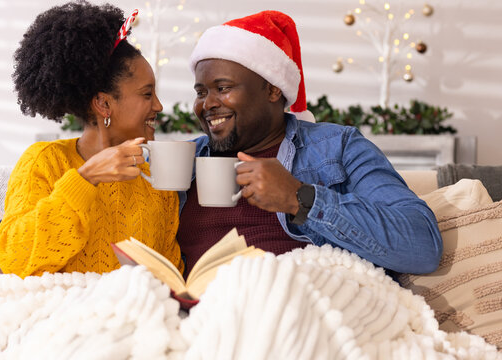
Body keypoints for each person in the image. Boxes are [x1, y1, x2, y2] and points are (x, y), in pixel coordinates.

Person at [177, 10, 442, 277]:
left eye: (223, 88)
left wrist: (300, 199)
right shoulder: (182, 160)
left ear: (272, 89)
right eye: (201, 92)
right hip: (193, 311)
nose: (207, 104)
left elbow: (422, 245)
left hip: (297, 304)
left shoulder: (338, 147)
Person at [0, 1, 183, 278]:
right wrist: (85, 179)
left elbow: (170, 272)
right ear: (103, 104)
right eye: (146, 94)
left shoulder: (155, 177)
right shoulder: (45, 161)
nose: (158, 106)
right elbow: (14, 259)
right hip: (59, 313)